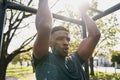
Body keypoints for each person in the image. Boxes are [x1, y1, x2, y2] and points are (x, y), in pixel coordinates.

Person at [33, 0, 101, 80]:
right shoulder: (43, 57)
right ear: (49, 43)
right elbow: (45, 27)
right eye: (60, 39)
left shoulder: (76, 59)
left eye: (68, 39)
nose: (66, 43)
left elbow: (95, 35)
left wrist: (83, 12)